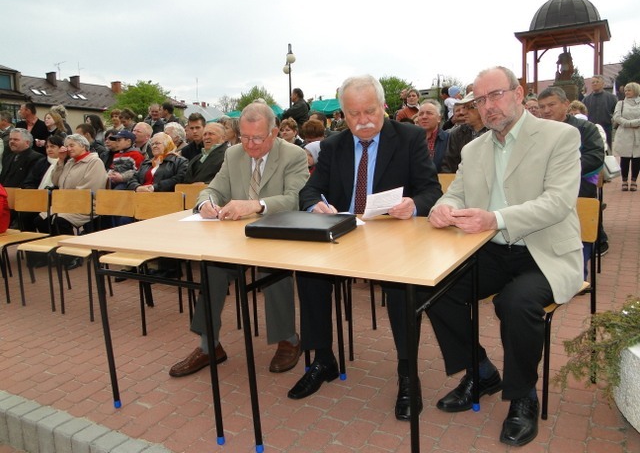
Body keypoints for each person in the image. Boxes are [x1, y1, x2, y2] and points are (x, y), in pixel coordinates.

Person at [428, 66, 583, 447]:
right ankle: (480, 371)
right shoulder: (473, 148)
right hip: (492, 249)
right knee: (434, 287)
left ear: (518, 93)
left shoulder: (560, 136)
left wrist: (495, 219)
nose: (488, 106)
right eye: (480, 100)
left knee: (515, 303)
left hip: (545, 251)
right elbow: (456, 193)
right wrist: (442, 208)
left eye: (495, 95)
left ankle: (523, 395)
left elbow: (558, 202)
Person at [288, 75, 442, 423]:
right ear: (343, 114)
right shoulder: (334, 145)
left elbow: (432, 190)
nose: (363, 121)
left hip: (393, 238)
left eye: (370, 111)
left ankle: (407, 372)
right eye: (353, 114)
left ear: (383, 107)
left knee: (401, 286)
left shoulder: (409, 138)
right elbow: (310, 190)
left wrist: (413, 205)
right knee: (309, 272)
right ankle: (323, 359)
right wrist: (315, 206)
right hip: (347, 234)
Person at [169, 102, 309, 378]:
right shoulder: (233, 154)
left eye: (257, 138)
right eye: (244, 137)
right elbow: (213, 189)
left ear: (274, 133)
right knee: (212, 268)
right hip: (237, 239)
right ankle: (209, 345)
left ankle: (288, 340)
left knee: (274, 270)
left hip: (276, 235)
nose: (250, 145)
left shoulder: (293, 154)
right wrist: (206, 203)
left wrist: (256, 204)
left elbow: (295, 199)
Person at [537, 86, 605, 275]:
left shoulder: (585, 128)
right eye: (542, 106)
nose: (546, 110)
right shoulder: (536, 131)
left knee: (578, 247)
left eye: (551, 104)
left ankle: (577, 276)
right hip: (543, 197)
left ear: (566, 104)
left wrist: (562, 168)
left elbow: (596, 157)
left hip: (578, 194)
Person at [34, 133, 107, 238]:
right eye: (67, 146)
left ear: (83, 146)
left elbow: (89, 188)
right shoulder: (69, 162)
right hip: (65, 204)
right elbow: (55, 181)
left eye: (72, 145)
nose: (68, 149)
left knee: (60, 221)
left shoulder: (95, 162)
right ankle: (53, 245)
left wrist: (66, 198)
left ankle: (68, 246)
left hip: (84, 205)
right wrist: (61, 160)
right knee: (40, 220)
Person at [441, 93, 488, 173]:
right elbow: (449, 165)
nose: (463, 112)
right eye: (464, 107)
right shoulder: (457, 134)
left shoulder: (496, 131)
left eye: (469, 107)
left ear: (482, 108)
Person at [613, 82, 640, 191]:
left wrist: (634, 123)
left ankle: (634, 181)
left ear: (636, 91)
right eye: (625, 90)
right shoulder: (621, 103)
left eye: (629, 90)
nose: (626, 92)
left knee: (637, 159)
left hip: (638, 135)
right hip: (624, 134)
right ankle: (624, 181)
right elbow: (617, 117)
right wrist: (629, 123)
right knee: (624, 158)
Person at [583, 75, 618, 150]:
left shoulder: (611, 98)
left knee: (607, 149)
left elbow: (616, 112)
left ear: (603, 84)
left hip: (607, 128)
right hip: (591, 129)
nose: (595, 84)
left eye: (597, 82)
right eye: (593, 82)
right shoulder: (586, 100)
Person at [415, 100, 448, 172]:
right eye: (421, 114)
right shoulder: (411, 140)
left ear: (439, 118)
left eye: (429, 113)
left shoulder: (449, 139)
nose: (424, 117)